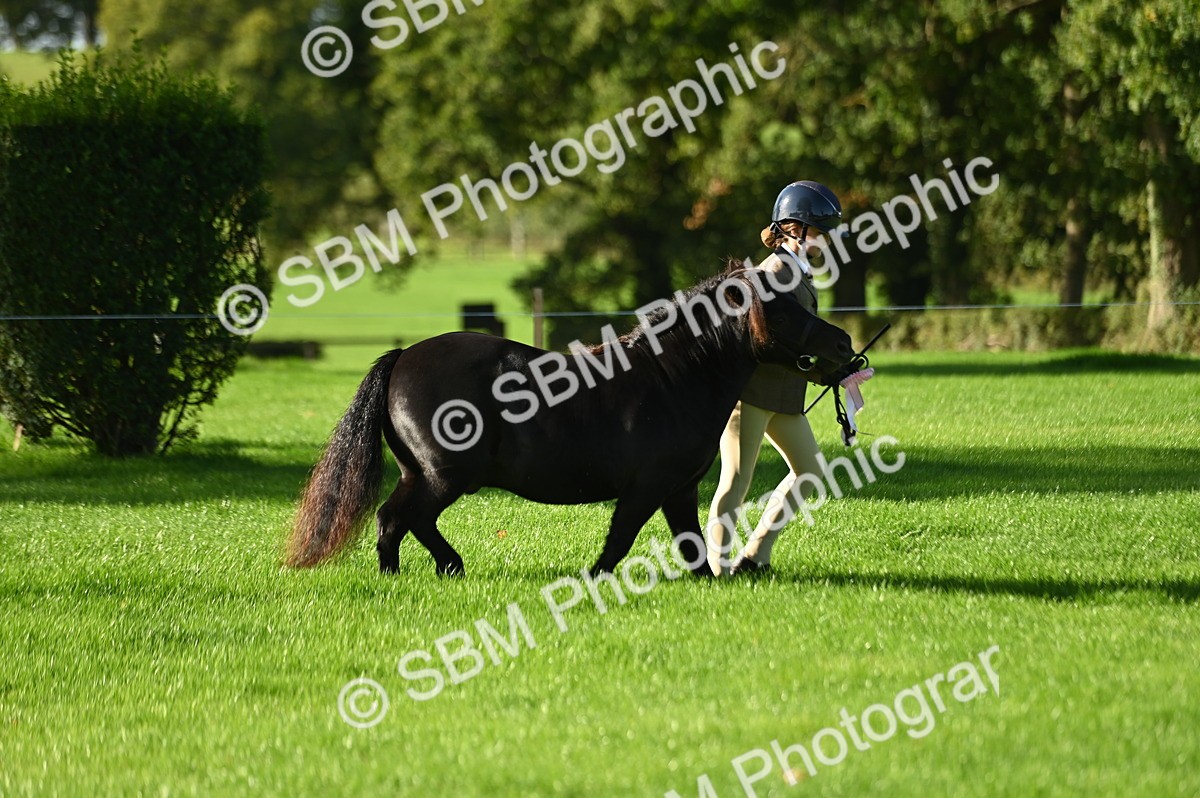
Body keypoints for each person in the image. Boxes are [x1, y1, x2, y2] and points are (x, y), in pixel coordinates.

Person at [707, 180, 847, 576]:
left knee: (810, 471)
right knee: (735, 482)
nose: (827, 241)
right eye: (822, 232)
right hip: (751, 394)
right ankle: (715, 567)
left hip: (784, 396)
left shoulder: (799, 271)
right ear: (794, 229)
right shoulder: (773, 272)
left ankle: (755, 556)